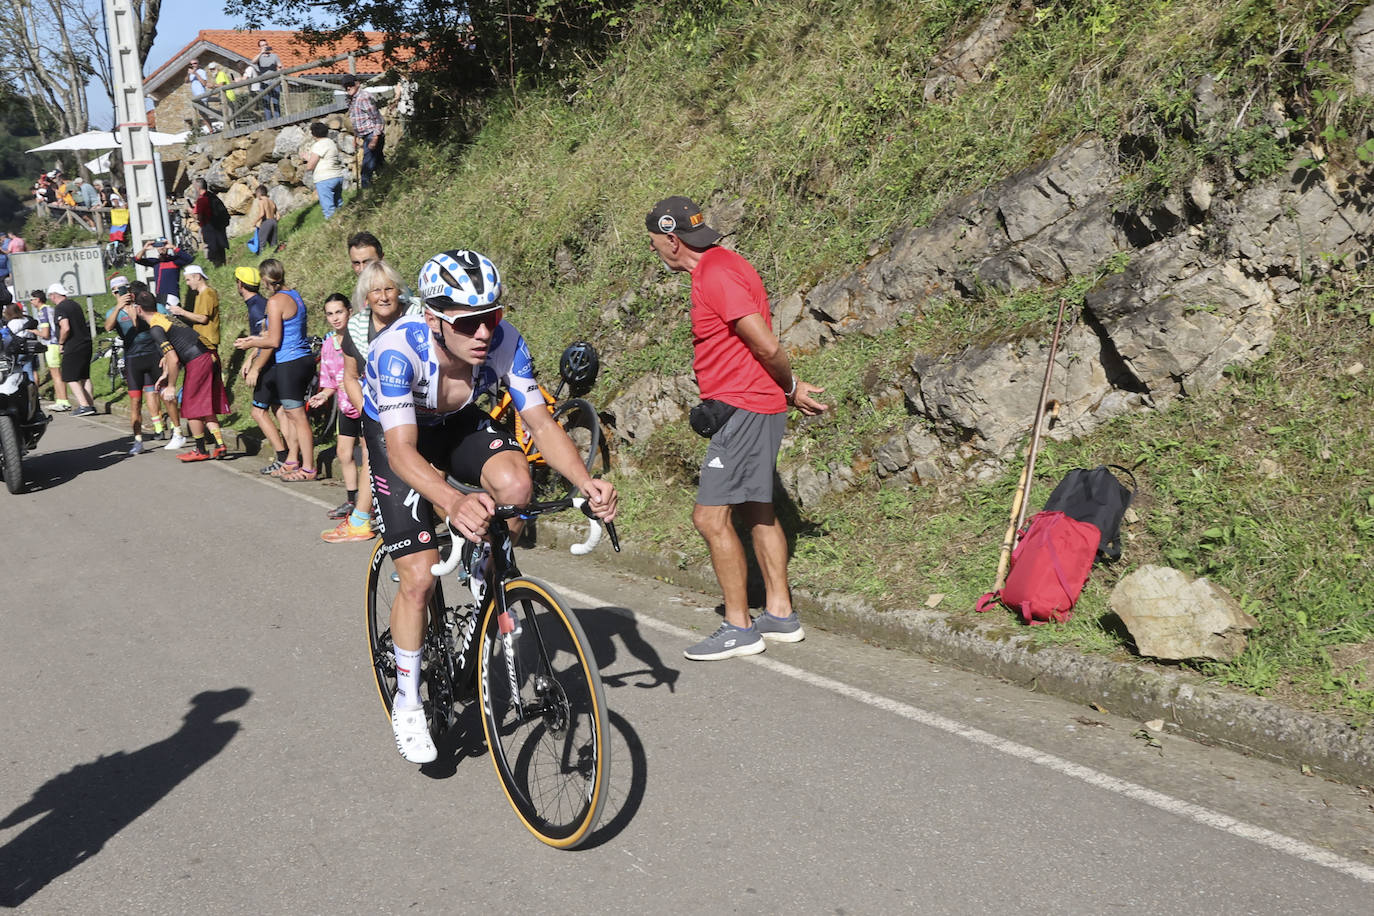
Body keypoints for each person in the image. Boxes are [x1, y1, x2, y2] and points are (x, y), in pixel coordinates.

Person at [365, 249, 617, 764]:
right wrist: (454, 501)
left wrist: (587, 482)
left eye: (493, 316)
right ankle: (409, 701)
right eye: (470, 322)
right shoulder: (396, 353)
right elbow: (402, 453)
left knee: (516, 485)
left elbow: (542, 424)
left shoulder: (503, 340)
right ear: (434, 319)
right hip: (400, 439)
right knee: (418, 576)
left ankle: (486, 566)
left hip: (453, 422)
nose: (485, 332)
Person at [644, 196, 828, 661]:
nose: (654, 253)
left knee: (709, 517)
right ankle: (780, 614)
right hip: (752, 404)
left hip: (744, 408)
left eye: (653, 244)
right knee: (758, 510)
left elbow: (764, 344)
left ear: (671, 239)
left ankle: (738, 625)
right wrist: (785, 389)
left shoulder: (716, 273)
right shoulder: (723, 264)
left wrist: (790, 385)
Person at [233, 259, 315, 479]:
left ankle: (308, 468)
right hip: (301, 358)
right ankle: (291, 461)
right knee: (290, 414)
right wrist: (254, 341)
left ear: (266, 280)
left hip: (290, 361)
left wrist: (250, 344)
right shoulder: (294, 295)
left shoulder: (275, 302)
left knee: (297, 417)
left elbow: (274, 340)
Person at [141, 290, 228, 460]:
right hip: (209, 355)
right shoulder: (165, 317)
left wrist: (171, 386)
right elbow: (179, 346)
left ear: (139, 309)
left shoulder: (156, 328)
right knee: (204, 405)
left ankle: (201, 450)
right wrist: (165, 374)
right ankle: (220, 445)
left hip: (198, 360)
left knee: (191, 407)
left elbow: (173, 358)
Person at [313, 293, 372, 542]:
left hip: (366, 403)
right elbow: (329, 381)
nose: (335, 318)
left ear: (349, 311)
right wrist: (324, 396)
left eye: (339, 312)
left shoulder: (361, 338)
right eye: (330, 314)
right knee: (344, 454)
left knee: (369, 455)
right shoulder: (328, 345)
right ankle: (352, 500)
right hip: (346, 407)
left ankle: (369, 504)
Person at [234, 266, 290, 473]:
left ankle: (283, 457)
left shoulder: (257, 307)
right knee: (280, 410)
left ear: (240, 284)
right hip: (275, 362)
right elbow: (262, 337)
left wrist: (257, 366)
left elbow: (268, 340)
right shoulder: (259, 303)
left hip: (270, 364)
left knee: (258, 412)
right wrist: (250, 358)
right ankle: (292, 456)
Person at [103, 278, 161, 455]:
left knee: (161, 392)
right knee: (135, 401)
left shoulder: (142, 306)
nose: (120, 293)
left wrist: (136, 314)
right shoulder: (113, 311)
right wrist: (120, 307)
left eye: (124, 289)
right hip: (132, 358)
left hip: (151, 354)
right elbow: (108, 327)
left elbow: (152, 323)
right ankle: (138, 440)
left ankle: (172, 430)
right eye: (116, 291)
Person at [50, 282, 97, 417]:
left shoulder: (60, 308)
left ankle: (84, 405)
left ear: (54, 295)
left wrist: (61, 342)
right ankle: (90, 404)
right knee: (84, 376)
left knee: (69, 376)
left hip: (73, 345)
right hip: (86, 343)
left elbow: (65, 327)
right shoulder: (75, 305)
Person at [168, 264, 221, 355]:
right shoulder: (199, 295)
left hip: (208, 341)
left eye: (188, 280)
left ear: (197, 277)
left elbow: (203, 319)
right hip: (202, 340)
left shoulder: (207, 294)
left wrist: (182, 312)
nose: (187, 283)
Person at [342, 75, 384, 188]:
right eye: (345, 86)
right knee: (379, 164)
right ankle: (386, 184)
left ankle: (365, 192)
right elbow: (356, 120)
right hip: (364, 136)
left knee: (366, 166)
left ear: (357, 83)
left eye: (350, 85)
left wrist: (375, 138)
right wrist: (356, 137)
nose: (348, 88)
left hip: (372, 134)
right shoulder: (352, 100)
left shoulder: (364, 97)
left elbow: (378, 119)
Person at [30, 290, 67, 410]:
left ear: (38, 299)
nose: (31, 302)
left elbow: (45, 334)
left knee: (55, 373)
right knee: (57, 372)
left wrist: (34, 332)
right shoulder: (50, 308)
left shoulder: (42, 312)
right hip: (56, 343)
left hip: (51, 344)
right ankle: (61, 399)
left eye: (32, 299)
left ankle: (62, 400)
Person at [303, 122, 347, 220]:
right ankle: (344, 222)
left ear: (313, 134)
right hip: (337, 176)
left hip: (325, 179)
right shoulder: (331, 142)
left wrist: (307, 159)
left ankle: (332, 230)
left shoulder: (318, 145)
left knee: (329, 209)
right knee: (339, 204)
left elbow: (310, 166)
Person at [192, 179, 228, 267]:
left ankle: (217, 268)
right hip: (218, 227)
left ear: (197, 187)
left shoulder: (201, 200)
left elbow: (199, 218)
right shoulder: (212, 196)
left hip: (209, 228)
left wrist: (191, 212)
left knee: (212, 250)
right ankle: (223, 266)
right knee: (220, 249)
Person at [255, 40, 282, 119]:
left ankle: (278, 120)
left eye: (266, 44)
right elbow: (253, 61)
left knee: (276, 102)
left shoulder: (274, 56)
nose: (265, 46)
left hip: (274, 82)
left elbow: (280, 66)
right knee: (266, 103)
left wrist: (279, 73)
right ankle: (269, 122)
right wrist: (261, 53)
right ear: (260, 47)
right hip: (264, 83)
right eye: (262, 45)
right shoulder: (259, 57)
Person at [251, 185, 279, 252]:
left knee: (261, 243)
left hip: (266, 222)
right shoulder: (272, 201)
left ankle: (261, 258)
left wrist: (255, 222)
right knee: (274, 244)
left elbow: (262, 214)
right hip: (274, 222)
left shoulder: (261, 201)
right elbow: (278, 216)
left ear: (259, 193)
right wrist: (274, 222)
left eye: (256, 194)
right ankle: (276, 255)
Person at [186, 59, 212, 131]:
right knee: (202, 114)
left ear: (198, 64)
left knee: (205, 114)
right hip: (196, 96)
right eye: (191, 64)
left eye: (195, 63)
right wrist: (189, 74)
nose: (193, 65)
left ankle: (211, 129)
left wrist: (196, 74)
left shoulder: (201, 72)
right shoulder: (190, 73)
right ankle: (210, 130)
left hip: (202, 95)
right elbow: (186, 81)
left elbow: (204, 83)